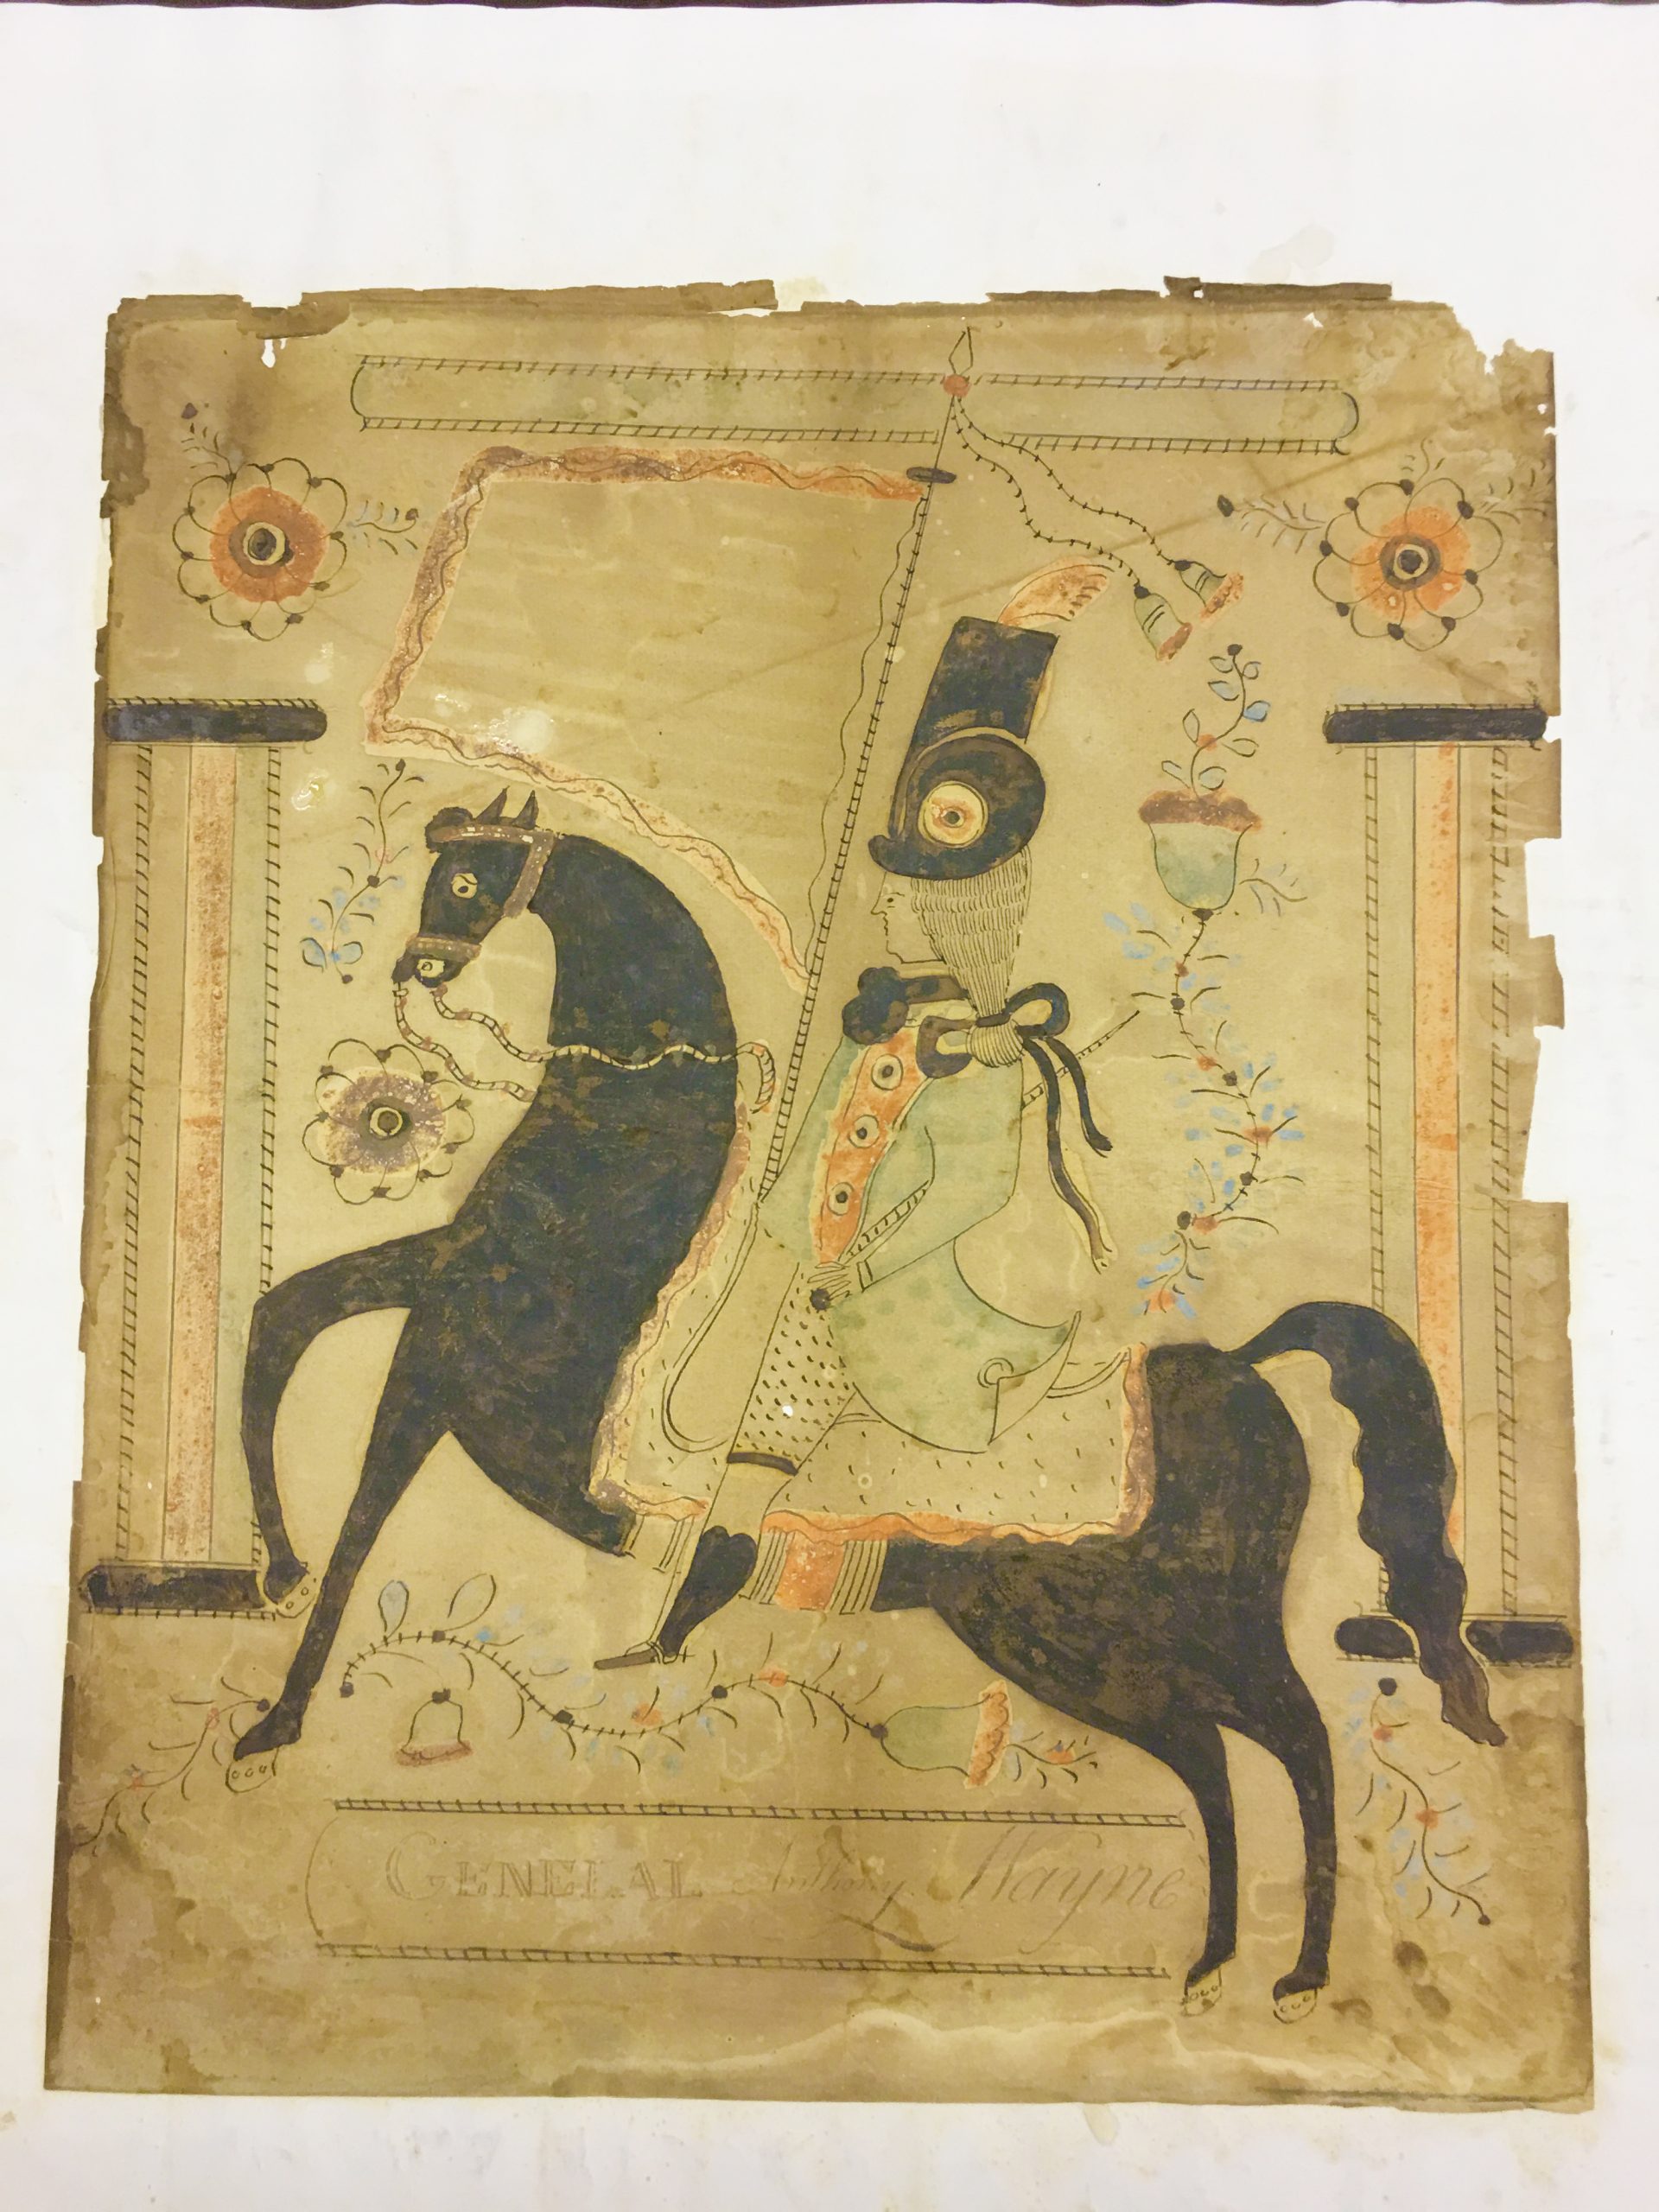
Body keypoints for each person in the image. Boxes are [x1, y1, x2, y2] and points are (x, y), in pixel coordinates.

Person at [597, 614, 1113, 1669]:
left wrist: (858, 1267)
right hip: (817, 1279)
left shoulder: (980, 1049)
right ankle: (674, 1629)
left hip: (898, 1302)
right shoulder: (881, 1021)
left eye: (907, 894)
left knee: (761, 1457)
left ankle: (689, 1627)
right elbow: (820, 1151)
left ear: (957, 912)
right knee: (733, 1448)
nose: (885, 905)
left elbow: (967, 1189)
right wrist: (776, 1225)